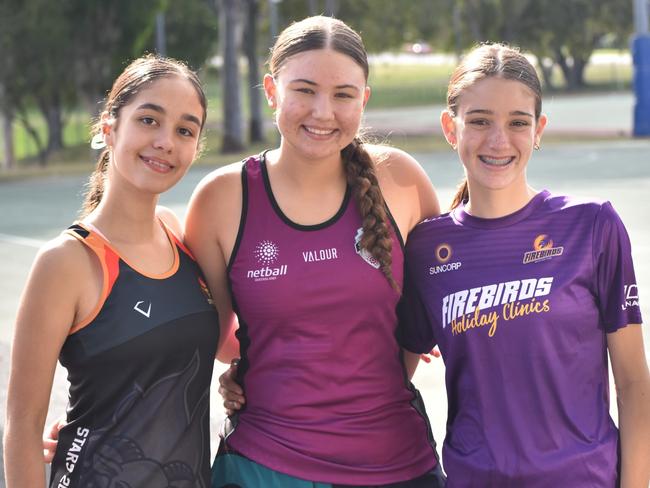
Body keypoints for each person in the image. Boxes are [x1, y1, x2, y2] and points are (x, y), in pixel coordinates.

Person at [184, 15, 445, 488]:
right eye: (303, 90)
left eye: (343, 94)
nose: (322, 112)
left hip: (396, 463)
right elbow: (218, 341)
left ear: (364, 100)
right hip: (264, 466)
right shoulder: (222, 198)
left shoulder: (400, 180)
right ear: (271, 90)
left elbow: (429, 318)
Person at [397, 43, 650, 487]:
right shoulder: (425, 249)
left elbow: (634, 385)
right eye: (478, 121)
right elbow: (385, 380)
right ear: (449, 128)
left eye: (517, 122)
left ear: (539, 130)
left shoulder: (591, 227)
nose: (498, 140)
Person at [3, 55, 219, 487]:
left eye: (184, 130)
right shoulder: (67, 262)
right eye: (148, 120)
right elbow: (23, 427)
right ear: (109, 128)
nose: (165, 142)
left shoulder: (180, 238)